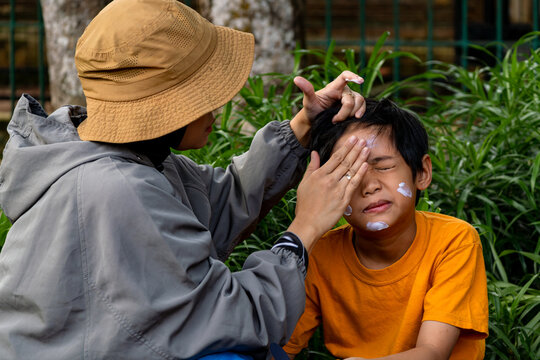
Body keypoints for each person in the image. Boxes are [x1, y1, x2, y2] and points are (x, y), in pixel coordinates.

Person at [0, 0, 370, 359]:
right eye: (204, 94)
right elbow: (236, 319)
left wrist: (304, 126)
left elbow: (223, 200)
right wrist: (304, 228)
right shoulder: (119, 189)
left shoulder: (128, 158)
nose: (217, 106)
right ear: (167, 110)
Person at [282, 99, 489, 360]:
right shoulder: (320, 253)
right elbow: (280, 350)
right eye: (349, 174)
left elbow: (433, 352)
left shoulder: (453, 241)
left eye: (384, 166)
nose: (369, 186)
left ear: (422, 172)